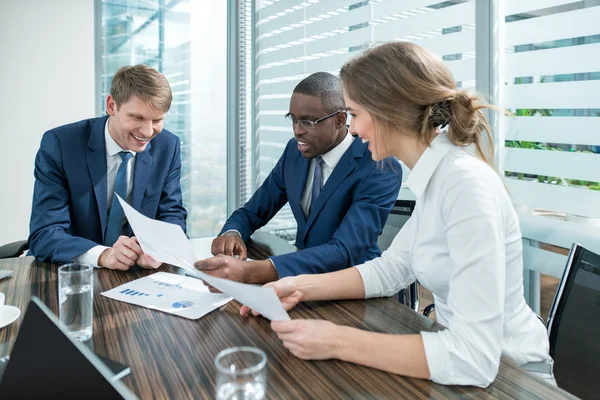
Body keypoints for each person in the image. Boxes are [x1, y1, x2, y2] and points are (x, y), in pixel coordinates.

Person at [240, 42, 554, 388]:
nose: (354, 131)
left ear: (388, 112)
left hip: (514, 376)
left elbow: (473, 358)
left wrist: (336, 340)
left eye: (355, 115)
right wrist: (297, 286)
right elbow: (393, 269)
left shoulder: (465, 186)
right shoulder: (437, 180)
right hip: (454, 359)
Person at [196, 72, 401, 285]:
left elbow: (344, 250)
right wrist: (233, 232)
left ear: (340, 119)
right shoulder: (294, 153)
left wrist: (256, 271)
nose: (297, 131)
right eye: (293, 120)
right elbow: (253, 211)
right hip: (298, 280)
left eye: (308, 122)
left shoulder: (379, 166)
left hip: (351, 288)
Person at [29, 64, 187, 270]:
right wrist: (103, 255)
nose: (148, 132)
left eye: (157, 120)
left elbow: (172, 214)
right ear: (112, 106)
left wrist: (157, 247)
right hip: (70, 271)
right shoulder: (60, 145)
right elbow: (45, 233)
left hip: (134, 274)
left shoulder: (167, 146)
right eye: (137, 117)